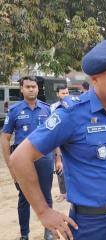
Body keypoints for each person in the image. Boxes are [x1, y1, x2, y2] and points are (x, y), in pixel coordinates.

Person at [9, 37, 106, 240]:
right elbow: (20, 158)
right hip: (92, 225)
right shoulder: (71, 114)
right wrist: (44, 212)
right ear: (95, 79)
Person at [0, 76, 55, 240]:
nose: (31, 89)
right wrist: (10, 164)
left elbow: (55, 136)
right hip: (22, 162)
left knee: (46, 196)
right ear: (22, 89)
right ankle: (24, 234)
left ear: (38, 88)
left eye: (34, 86)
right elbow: (5, 138)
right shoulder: (15, 111)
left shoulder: (47, 109)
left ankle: (49, 231)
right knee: (24, 197)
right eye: (28, 87)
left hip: (44, 158)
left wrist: (58, 159)